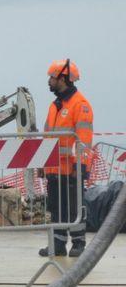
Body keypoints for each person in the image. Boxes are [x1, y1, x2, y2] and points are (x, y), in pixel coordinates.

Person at [40, 58, 93, 258]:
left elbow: (84, 139)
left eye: (52, 77)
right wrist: (43, 164)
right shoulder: (55, 106)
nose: (49, 81)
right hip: (54, 169)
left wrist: (81, 165)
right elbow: (47, 137)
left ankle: (78, 243)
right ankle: (58, 244)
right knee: (56, 208)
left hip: (72, 168)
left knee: (75, 207)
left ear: (63, 79)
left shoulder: (80, 105)